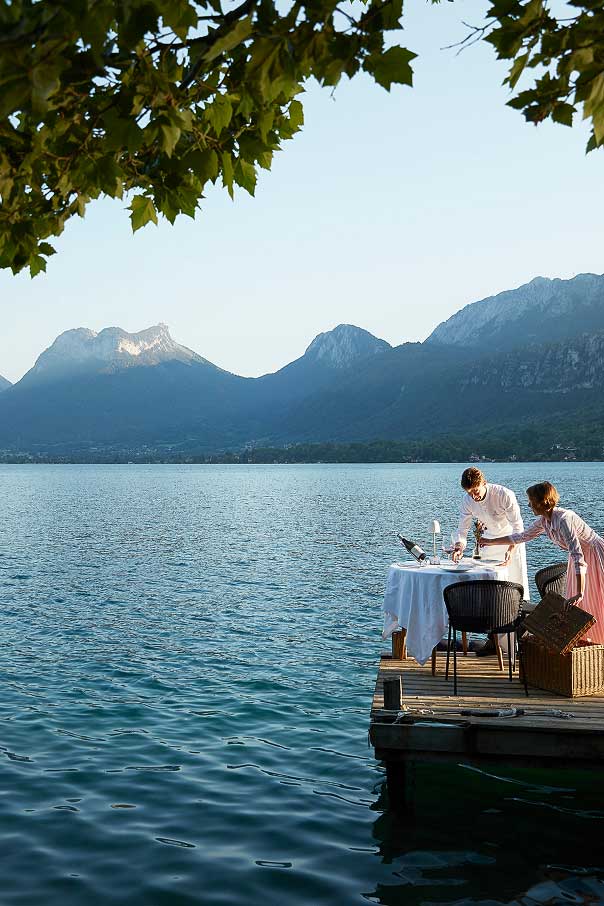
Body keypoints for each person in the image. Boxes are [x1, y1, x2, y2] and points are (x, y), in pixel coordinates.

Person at [481, 481, 604, 644]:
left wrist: (580, 591)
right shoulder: (544, 521)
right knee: (579, 608)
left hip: (594, 556)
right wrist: (489, 541)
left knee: (595, 600)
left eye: (531, 501)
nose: (529, 504)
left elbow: (577, 556)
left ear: (542, 502)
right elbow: (521, 536)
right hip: (579, 561)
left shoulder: (564, 519)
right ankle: (588, 646)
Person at [452, 467, 529, 655]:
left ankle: (517, 644)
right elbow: (462, 530)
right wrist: (459, 547)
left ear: (483, 483)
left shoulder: (504, 495)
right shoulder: (467, 501)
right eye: (469, 492)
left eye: (475, 490)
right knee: (489, 596)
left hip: (511, 545)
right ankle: (493, 641)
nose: (473, 496)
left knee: (511, 595)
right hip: (488, 547)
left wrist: (511, 549)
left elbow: (518, 527)